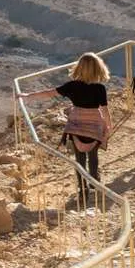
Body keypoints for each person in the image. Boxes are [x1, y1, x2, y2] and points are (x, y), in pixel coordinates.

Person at [18, 52, 112, 203]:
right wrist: (108, 127)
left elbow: (49, 93)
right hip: (94, 126)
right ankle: (95, 183)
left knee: (79, 159)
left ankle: (83, 191)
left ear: (79, 68)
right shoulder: (100, 88)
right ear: (98, 69)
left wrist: (27, 96)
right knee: (93, 156)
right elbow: (105, 111)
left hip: (76, 126)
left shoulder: (71, 86)